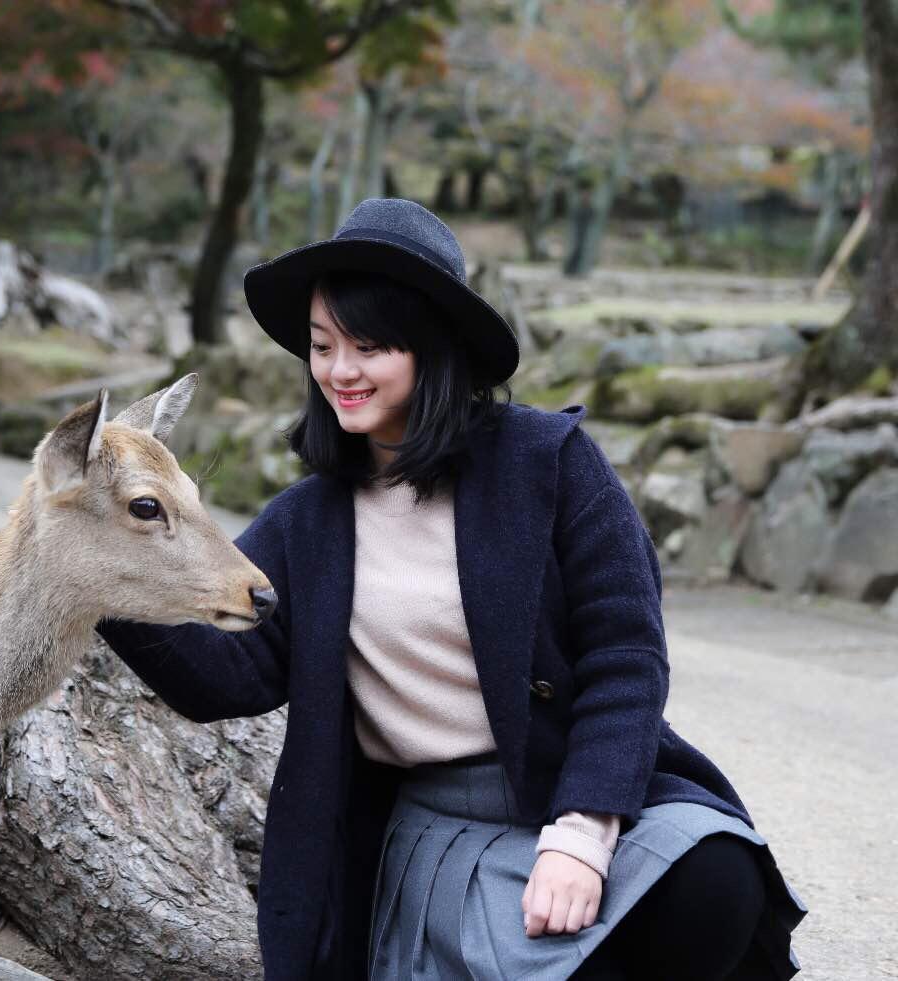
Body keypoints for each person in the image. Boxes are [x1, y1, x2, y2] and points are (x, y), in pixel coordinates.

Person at [96, 198, 805, 980]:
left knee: (715, 883)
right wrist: (100, 578)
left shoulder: (553, 463)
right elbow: (229, 673)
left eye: (369, 346)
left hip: (576, 791)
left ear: (434, 346)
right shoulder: (308, 521)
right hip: (442, 833)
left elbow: (627, 655)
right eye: (323, 346)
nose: (340, 371)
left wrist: (581, 834)